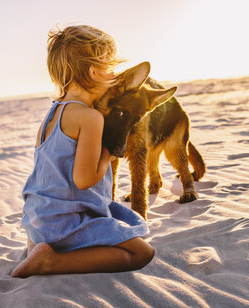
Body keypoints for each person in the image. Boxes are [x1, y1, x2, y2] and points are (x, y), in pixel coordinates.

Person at [11, 25, 154, 278]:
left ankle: (41, 248)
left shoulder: (52, 114)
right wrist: (108, 152)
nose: (113, 74)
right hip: (62, 224)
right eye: (110, 67)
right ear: (93, 71)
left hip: (38, 220)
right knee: (142, 253)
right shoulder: (90, 118)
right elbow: (84, 179)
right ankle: (50, 262)